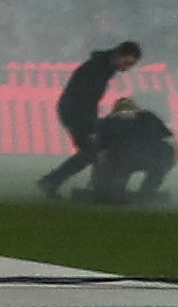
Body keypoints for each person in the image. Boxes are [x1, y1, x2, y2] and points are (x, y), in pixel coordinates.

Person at [39, 40, 147, 200]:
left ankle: (61, 182)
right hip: (75, 112)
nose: (127, 68)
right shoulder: (98, 68)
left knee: (93, 151)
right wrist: (90, 125)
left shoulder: (102, 66)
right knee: (92, 151)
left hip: (75, 110)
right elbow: (85, 98)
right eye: (127, 63)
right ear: (118, 55)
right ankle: (55, 181)